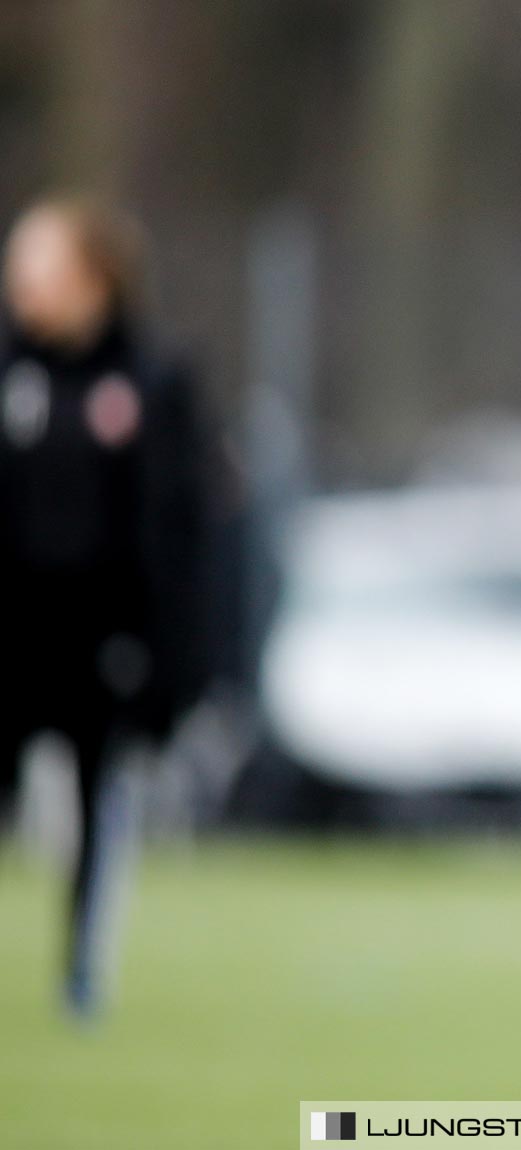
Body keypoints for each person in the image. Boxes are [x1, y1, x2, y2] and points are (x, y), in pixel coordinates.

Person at [0, 197, 213, 1018]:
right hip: (13, 637)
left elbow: (178, 528)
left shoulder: (151, 378)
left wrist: (174, 658)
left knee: (97, 809)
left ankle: (83, 972)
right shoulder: (10, 372)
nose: (22, 280)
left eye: (39, 261)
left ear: (95, 274)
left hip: (103, 644)